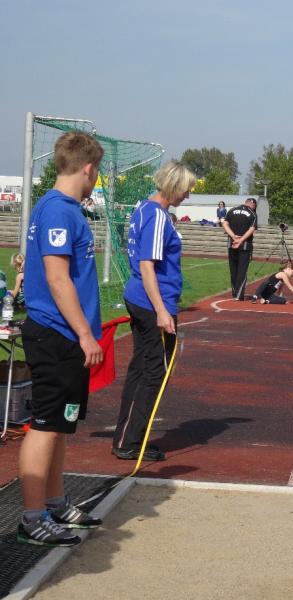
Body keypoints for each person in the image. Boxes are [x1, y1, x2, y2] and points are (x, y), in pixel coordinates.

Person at [17, 131, 105, 547]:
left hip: (66, 335)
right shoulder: (57, 210)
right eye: (97, 171)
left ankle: (54, 502)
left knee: (60, 425)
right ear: (88, 169)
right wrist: (85, 334)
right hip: (56, 333)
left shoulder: (65, 209)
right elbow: (57, 278)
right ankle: (33, 517)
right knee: (45, 426)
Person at [112, 160, 196, 462]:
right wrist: (161, 310)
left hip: (142, 297)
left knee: (142, 367)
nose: (187, 195)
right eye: (185, 190)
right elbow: (147, 265)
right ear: (173, 186)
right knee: (154, 371)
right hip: (151, 301)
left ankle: (127, 437)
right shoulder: (158, 215)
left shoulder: (143, 209)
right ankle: (130, 441)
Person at [222, 197, 258, 300]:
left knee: (233, 269)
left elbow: (225, 224)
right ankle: (238, 295)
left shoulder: (232, 210)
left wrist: (233, 237)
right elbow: (252, 229)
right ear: (253, 205)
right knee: (242, 270)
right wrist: (241, 240)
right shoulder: (252, 214)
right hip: (245, 245)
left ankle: (234, 293)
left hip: (232, 243)